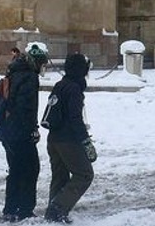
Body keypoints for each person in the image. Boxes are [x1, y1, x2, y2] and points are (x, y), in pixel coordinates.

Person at [44, 53, 96, 224]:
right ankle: (58, 208)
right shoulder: (74, 89)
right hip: (68, 140)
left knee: (59, 175)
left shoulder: (60, 85)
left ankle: (54, 212)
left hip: (53, 139)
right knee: (85, 174)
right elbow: (75, 119)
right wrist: (86, 142)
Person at [0, 45, 48, 222]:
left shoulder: (14, 71)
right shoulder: (29, 76)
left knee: (16, 170)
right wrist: (32, 130)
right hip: (19, 132)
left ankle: (10, 209)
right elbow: (25, 107)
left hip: (6, 129)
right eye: (42, 63)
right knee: (30, 169)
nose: (43, 67)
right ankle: (25, 210)